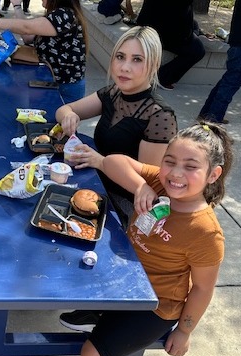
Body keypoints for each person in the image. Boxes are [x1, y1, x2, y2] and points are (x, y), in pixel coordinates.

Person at [68, 121, 233, 356]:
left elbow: (202, 288)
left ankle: (102, 317)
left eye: (190, 166)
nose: (176, 173)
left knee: (91, 353)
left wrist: (185, 331)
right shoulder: (158, 182)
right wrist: (140, 187)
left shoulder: (205, 231)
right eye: (170, 161)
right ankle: (99, 313)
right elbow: (112, 161)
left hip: (155, 306)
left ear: (213, 174)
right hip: (124, 280)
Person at [55, 26, 177, 230]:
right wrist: (69, 116)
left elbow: (147, 185)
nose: (124, 67)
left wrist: (101, 162)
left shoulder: (160, 116)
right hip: (93, 183)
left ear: (154, 65)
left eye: (137, 59)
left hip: (122, 207)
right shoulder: (113, 93)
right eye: (120, 57)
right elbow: (64, 109)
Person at [0, 0, 88, 103]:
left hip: (64, 87)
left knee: (59, 129)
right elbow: (28, 37)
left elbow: (26, 28)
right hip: (49, 82)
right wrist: (17, 6)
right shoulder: (56, 15)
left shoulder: (64, 15)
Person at [136, 0, 205, 90]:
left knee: (194, 25)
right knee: (198, 50)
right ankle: (162, 78)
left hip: (146, 22)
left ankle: (198, 33)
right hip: (166, 33)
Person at [198, 0, 241, 124]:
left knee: (228, 82)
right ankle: (213, 119)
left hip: (238, 44)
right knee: (230, 84)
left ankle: (207, 114)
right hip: (240, 47)